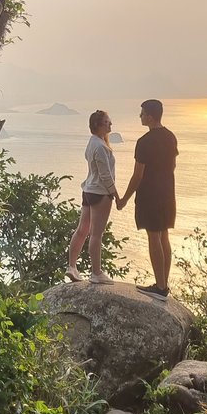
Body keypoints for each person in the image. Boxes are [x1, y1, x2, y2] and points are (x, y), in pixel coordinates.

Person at [117, 99, 177, 300]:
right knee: (164, 236)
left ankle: (160, 287)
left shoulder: (144, 142)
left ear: (150, 117)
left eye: (142, 113)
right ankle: (163, 284)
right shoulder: (170, 137)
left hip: (150, 194)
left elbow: (138, 175)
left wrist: (124, 199)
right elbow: (172, 166)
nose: (140, 116)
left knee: (154, 237)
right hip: (167, 193)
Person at [66, 109, 117, 284]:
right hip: (100, 192)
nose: (110, 124)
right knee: (96, 233)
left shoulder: (93, 142)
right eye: (107, 122)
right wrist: (116, 195)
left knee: (82, 229)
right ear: (98, 125)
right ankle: (96, 272)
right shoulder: (101, 147)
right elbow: (106, 175)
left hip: (88, 190)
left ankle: (72, 266)